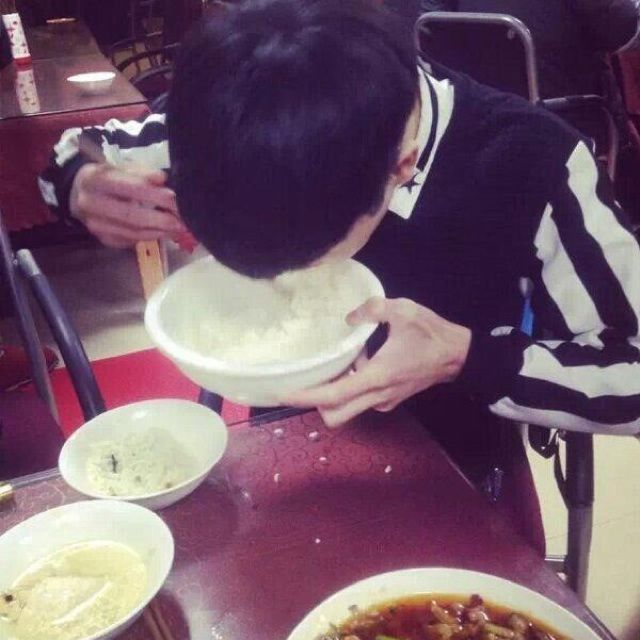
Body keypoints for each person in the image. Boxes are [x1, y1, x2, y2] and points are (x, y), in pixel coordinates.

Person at [40, 0, 640, 495]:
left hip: (454, 465)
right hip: (281, 447)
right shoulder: (238, 115)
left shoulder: (536, 163)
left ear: (401, 168)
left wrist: (465, 357)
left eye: (310, 260)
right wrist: (80, 182)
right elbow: (72, 149)